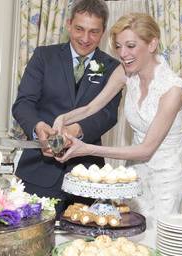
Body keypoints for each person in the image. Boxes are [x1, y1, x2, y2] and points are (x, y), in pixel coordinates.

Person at [53, 13, 182, 247]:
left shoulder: (173, 89)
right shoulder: (125, 72)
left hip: (165, 178)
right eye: (118, 46)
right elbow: (92, 107)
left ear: (152, 43)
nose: (123, 54)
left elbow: (146, 150)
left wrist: (86, 149)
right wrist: (63, 118)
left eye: (131, 46)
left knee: (157, 243)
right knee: (128, 239)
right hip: (133, 175)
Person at [11, 0, 123, 217]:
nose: (85, 38)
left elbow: (108, 114)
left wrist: (76, 129)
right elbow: (23, 103)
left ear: (103, 32)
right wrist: (38, 127)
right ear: (69, 24)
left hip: (87, 177)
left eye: (93, 32)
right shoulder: (44, 56)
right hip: (39, 170)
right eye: (79, 29)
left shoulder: (112, 67)